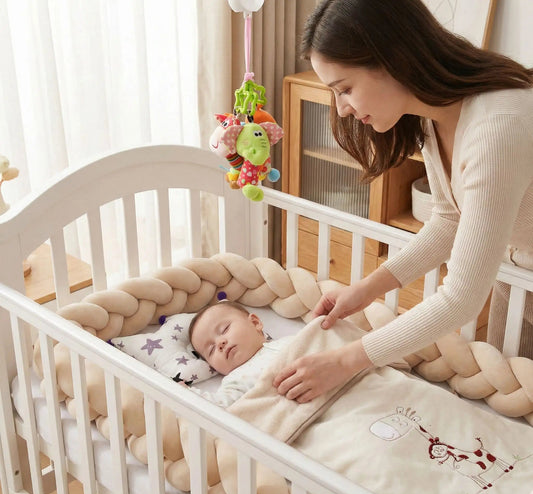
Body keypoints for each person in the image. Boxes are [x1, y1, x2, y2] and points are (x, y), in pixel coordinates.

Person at [273, 0, 533, 403]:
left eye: (345, 89)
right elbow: (449, 218)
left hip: (519, 269)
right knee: (508, 403)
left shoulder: (496, 128)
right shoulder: (433, 115)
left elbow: (461, 300)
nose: (342, 109)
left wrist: (345, 361)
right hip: (517, 271)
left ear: (392, 59)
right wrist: (366, 289)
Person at [188, 301, 293, 407]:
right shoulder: (234, 381)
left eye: (224, 329)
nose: (220, 343)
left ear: (255, 323)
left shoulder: (288, 342)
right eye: (211, 350)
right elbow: (217, 407)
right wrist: (186, 393)